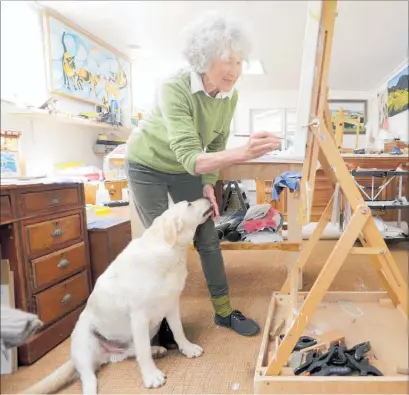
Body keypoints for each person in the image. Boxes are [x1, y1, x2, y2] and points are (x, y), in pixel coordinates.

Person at [124, 13, 281, 348]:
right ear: (203, 57)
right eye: (227, 60)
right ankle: (163, 322)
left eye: (240, 61)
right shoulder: (174, 87)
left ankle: (223, 312)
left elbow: (216, 145)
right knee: (164, 246)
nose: (235, 70)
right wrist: (245, 152)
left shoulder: (230, 96)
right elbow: (190, 155)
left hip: (188, 170)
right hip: (147, 165)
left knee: (207, 238)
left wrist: (209, 183)